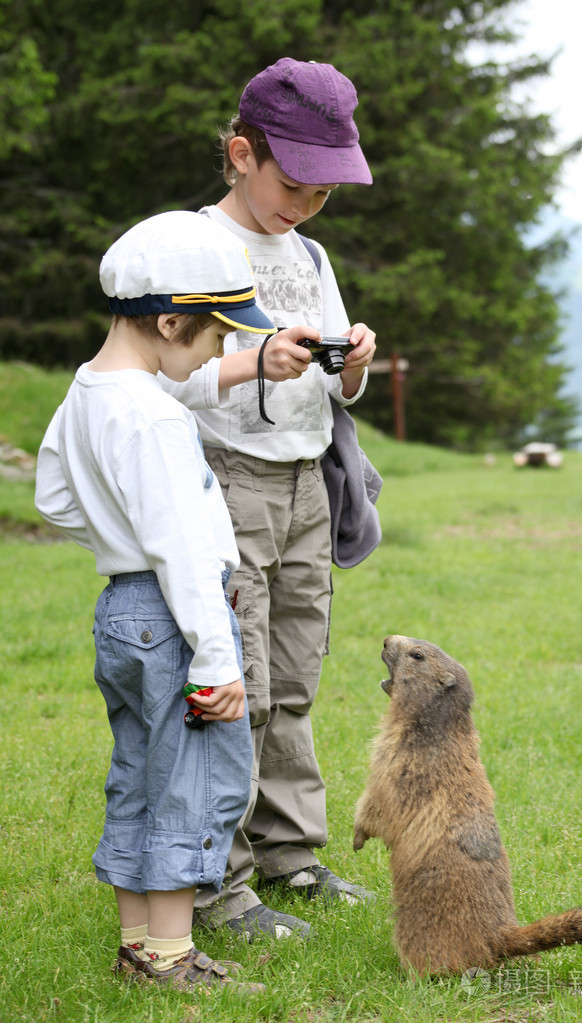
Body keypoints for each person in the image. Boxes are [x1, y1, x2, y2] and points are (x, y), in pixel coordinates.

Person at [34, 210, 324, 991]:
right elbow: (189, 558)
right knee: (190, 781)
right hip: (175, 619)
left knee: (138, 772)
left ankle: (138, 944)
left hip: (121, 614)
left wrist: (113, 525)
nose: (221, 355)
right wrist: (216, 658)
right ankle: (169, 955)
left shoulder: (91, 389)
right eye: (216, 336)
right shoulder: (158, 417)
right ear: (169, 322)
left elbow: (55, 495)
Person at [160, 58, 377, 941]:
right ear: (241, 154)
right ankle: (217, 879)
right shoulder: (193, 247)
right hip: (229, 481)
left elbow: (330, 382)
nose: (307, 205)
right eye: (295, 184)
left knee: (293, 676)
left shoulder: (310, 252)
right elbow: (162, 377)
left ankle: (289, 851)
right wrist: (255, 359)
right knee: (233, 676)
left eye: (326, 192)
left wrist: (349, 365)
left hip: (304, 482)